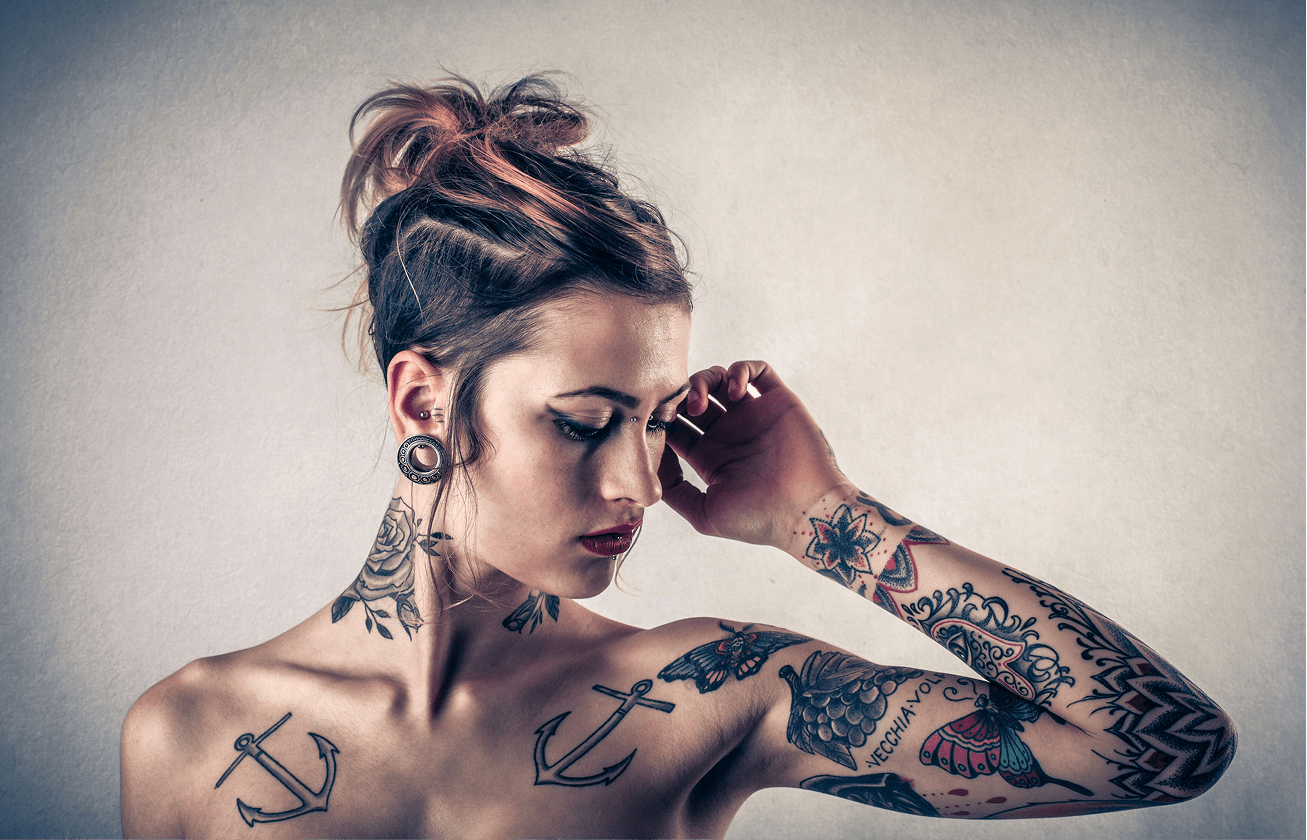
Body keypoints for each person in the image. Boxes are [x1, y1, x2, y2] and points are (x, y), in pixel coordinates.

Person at [120, 75, 1236, 839]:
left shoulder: (704, 693)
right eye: (579, 420)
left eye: (655, 420)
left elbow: (1155, 751)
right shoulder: (187, 732)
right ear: (425, 397)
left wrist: (825, 522)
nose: (638, 484)